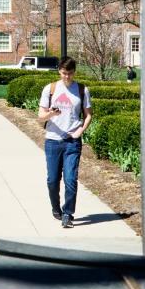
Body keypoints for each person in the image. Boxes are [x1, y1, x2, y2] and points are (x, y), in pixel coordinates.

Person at [37, 57, 92, 229]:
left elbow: (88, 115)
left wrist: (80, 131)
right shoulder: (51, 89)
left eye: (69, 73)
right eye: (63, 73)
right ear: (59, 71)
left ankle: (68, 214)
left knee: (70, 179)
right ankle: (56, 207)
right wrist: (51, 114)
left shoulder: (82, 90)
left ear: (74, 72)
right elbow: (40, 117)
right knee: (53, 180)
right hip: (53, 141)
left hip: (72, 142)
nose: (66, 77)